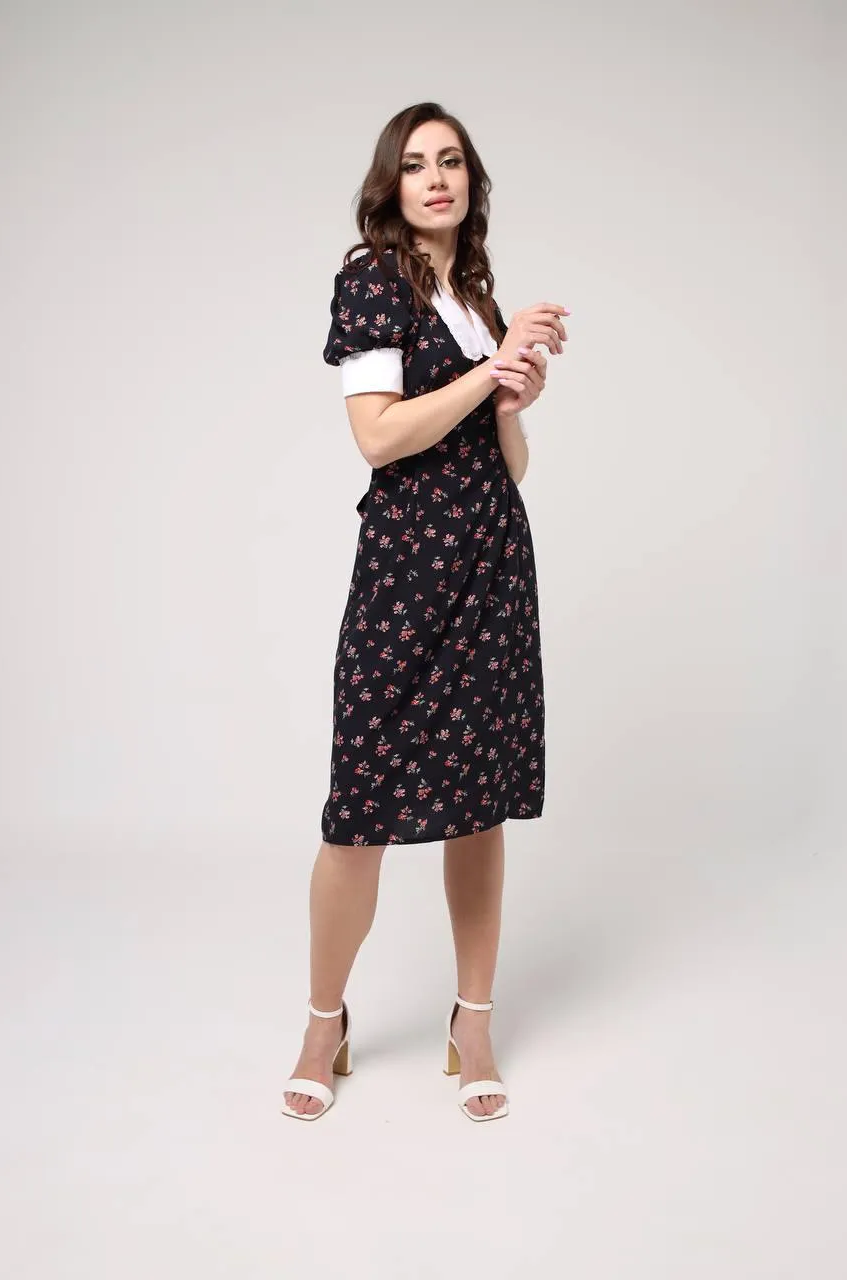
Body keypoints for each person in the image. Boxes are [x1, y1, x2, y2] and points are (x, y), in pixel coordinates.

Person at [282, 102, 569, 1123]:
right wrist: (484, 374)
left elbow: (509, 467)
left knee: (478, 799)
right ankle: (326, 1020)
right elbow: (378, 437)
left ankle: (471, 1019)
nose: (435, 178)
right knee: (358, 806)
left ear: (468, 181)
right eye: (415, 164)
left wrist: (509, 403)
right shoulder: (371, 278)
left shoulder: (474, 296)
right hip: (406, 572)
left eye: (451, 161)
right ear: (390, 184)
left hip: (491, 566)